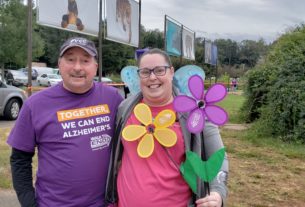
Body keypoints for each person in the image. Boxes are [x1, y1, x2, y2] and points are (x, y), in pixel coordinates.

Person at [7, 37, 123, 207]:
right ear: (59, 64)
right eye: (70, 59)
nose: (77, 67)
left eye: (85, 60)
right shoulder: (36, 104)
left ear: (95, 67)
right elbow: (19, 159)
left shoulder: (112, 99)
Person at [105, 48, 229, 207]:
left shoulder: (195, 112)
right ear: (139, 76)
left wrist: (218, 192)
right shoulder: (125, 108)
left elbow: (218, 158)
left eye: (159, 70)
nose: (152, 77)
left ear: (171, 72)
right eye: (145, 72)